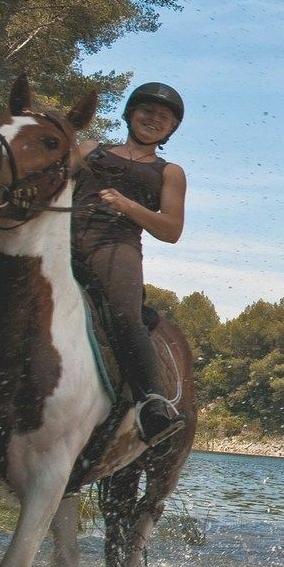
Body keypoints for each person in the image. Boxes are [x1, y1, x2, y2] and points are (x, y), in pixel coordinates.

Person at [72, 82, 188, 449]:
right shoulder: (91, 149)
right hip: (64, 236)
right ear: (129, 113)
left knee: (124, 315)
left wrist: (128, 206)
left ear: (171, 129)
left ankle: (151, 402)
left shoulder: (169, 172)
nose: (154, 120)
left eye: (163, 118)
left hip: (115, 246)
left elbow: (171, 230)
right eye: (147, 112)